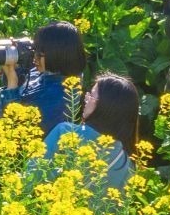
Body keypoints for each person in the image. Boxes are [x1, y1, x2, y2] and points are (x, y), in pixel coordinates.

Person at [29, 73, 140, 202]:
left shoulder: (65, 132)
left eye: (92, 95)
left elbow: (29, 178)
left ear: (105, 106)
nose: (86, 98)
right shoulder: (127, 165)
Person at [0, 21, 86, 137]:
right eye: (34, 50)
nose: (35, 58)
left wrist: (12, 83)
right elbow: (23, 91)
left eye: (40, 53)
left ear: (57, 55)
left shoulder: (61, 95)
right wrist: (17, 65)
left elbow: (15, 127)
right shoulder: (48, 71)